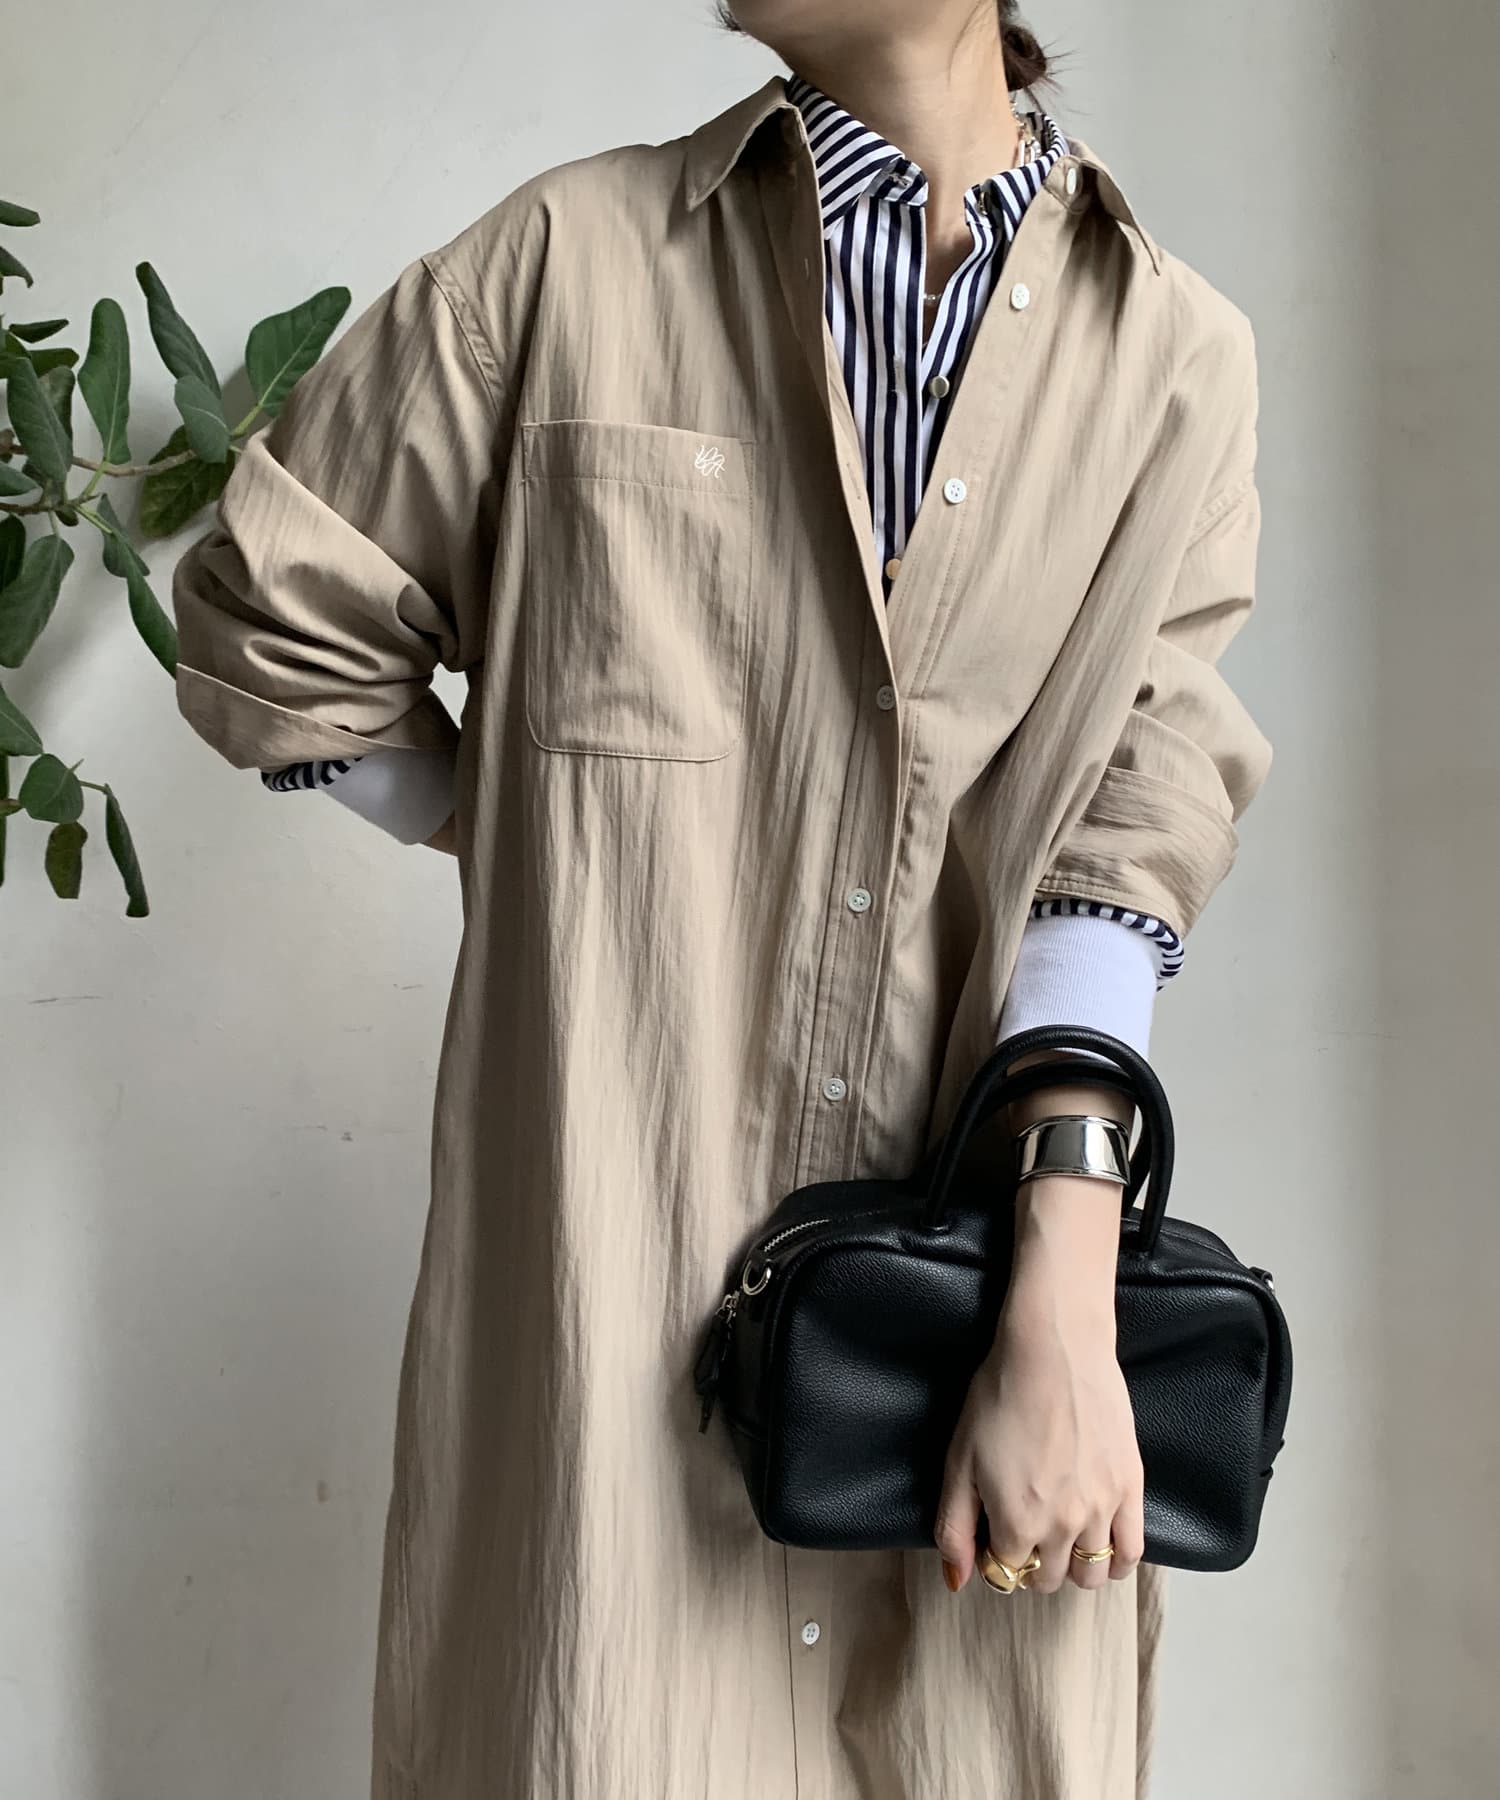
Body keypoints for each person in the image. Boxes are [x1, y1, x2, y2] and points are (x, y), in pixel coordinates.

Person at [171, 2, 1272, 1794]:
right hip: (607, 1371)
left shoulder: (1174, 362)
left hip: (982, 1368)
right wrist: (540, 839)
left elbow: (1123, 841)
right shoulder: (561, 270)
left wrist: (1066, 1313)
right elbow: (273, 635)